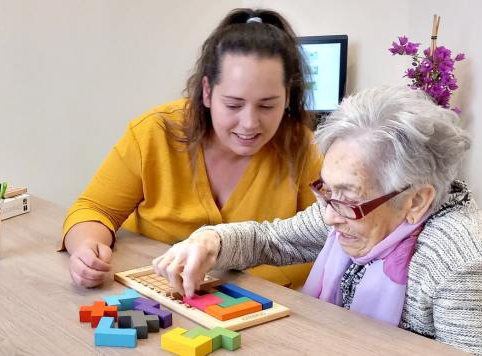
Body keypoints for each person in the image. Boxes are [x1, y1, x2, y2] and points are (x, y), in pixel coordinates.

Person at [153, 86, 482, 355]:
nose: (329, 215)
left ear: (416, 199)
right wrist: (210, 240)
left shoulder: (467, 265)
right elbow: (273, 240)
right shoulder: (351, 210)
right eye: (326, 190)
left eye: (348, 198)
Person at [61, 8, 321, 289]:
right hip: (152, 298)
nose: (249, 123)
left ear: (288, 97)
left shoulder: (304, 149)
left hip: (262, 313)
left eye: (267, 106)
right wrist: (87, 247)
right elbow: (95, 208)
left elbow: (327, 239)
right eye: (233, 105)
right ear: (207, 92)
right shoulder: (154, 132)